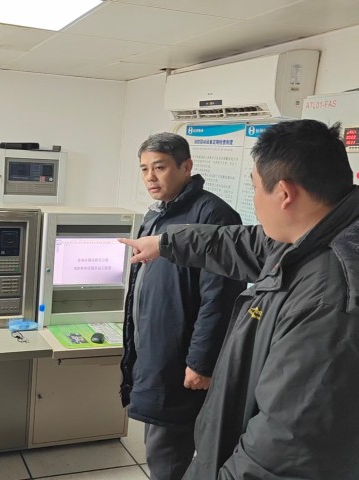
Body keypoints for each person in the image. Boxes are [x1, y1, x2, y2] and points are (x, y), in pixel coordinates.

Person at [120, 119, 359, 479]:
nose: (254, 201)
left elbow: (281, 447)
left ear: (284, 193)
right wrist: (166, 242)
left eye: (254, 188)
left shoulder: (329, 298)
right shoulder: (312, 237)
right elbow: (240, 243)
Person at [120, 132, 245, 480]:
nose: (150, 177)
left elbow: (219, 298)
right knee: (159, 444)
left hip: (182, 358)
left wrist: (200, 362)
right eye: (144, 169)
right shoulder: (158, 213)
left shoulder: (213, 215)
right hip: (155, 349)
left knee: (169, 451)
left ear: (186, 167)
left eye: (159, 167)